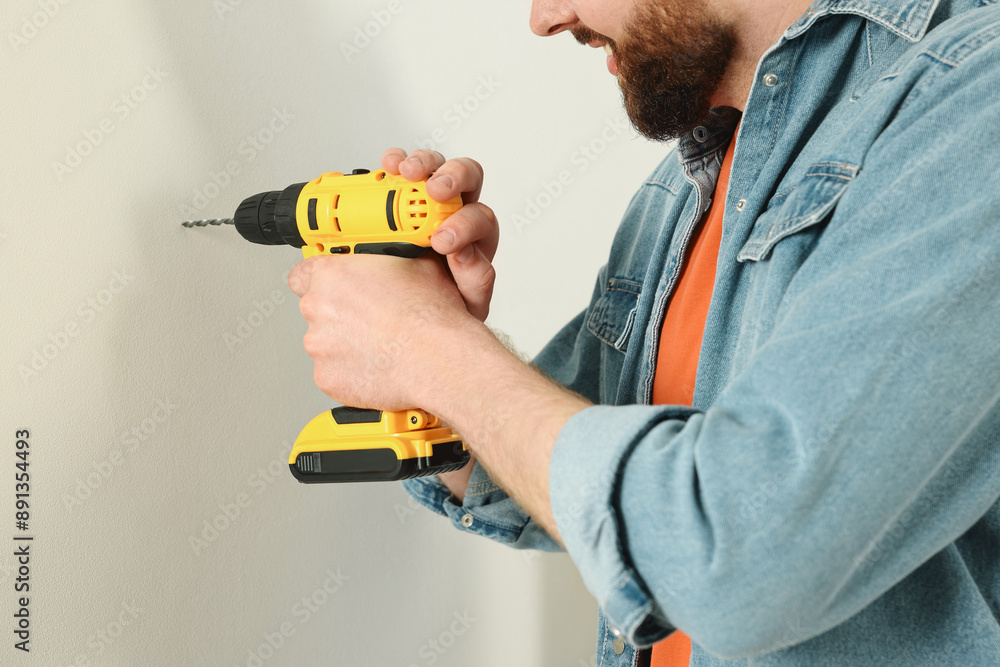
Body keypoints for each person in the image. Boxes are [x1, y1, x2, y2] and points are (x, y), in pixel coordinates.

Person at [287, 0, 1000, 664]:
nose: (546, 17)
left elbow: (733, 560)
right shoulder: (687, 182)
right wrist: (430, 361)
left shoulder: (974, 91)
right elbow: (604, 492)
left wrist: (429, 347)